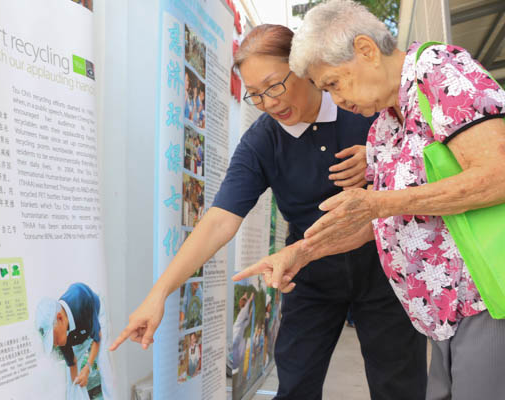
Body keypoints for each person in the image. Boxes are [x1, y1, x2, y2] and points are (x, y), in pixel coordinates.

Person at [110, 24, 427, 400]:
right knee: (294, 384)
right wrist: (159, 293)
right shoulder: (262, 141)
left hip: (387, 270)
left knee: (399, 384)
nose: (269, 102)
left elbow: (429, 161)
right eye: (255, 95)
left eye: (275, 85)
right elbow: (219, 220)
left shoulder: (362, 103)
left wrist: (379, 160)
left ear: (305, 67)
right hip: (309, 276)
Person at [236, 1, 505, 399]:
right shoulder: (383, 128)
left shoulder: (440, 71)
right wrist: (302, 253)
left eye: (333, 82)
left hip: (487, 295)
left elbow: (497, 172)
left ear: (365, 50)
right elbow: (380, 222)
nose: (336, 99)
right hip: (443, 309)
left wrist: (379, 202)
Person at [35, 283, 113, 400]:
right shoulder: (61, 335)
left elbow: (97, 339)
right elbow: (72, 363)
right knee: (73, 380)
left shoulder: (81, 298)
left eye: (54, 339)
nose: (55, 344)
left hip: (95, 316)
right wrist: (78, 380)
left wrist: (87, 368)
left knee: (103, 361)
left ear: (60, 318)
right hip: (77, 332)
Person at [232, 292, 254, 370]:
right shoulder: (241, 314)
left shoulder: (242, 318)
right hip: (235, 338)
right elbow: (245, 311)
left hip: (237, 339)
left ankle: (235, 368)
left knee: (238, 356)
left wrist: (250, 313)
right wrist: (250, 300)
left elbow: (246, 323)